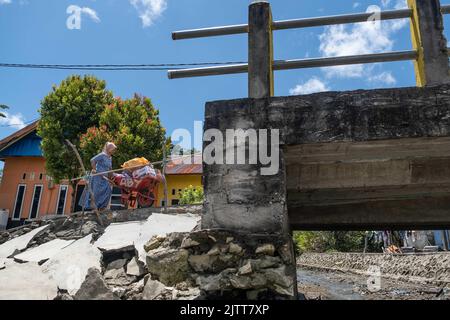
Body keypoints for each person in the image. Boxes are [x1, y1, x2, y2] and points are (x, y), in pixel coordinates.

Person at [79, 142, 117, 211]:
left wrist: (112, 177)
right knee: (97, 192)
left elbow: (110, 169)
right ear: (109, 148)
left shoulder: (110, 158)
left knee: (108, 190)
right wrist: (94, 169)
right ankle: (95, 208)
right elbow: (92, 160)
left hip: (104, 177)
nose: (114, 151)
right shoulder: (102, 155)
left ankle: (102, 207)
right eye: (113, 149)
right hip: (98, 176)